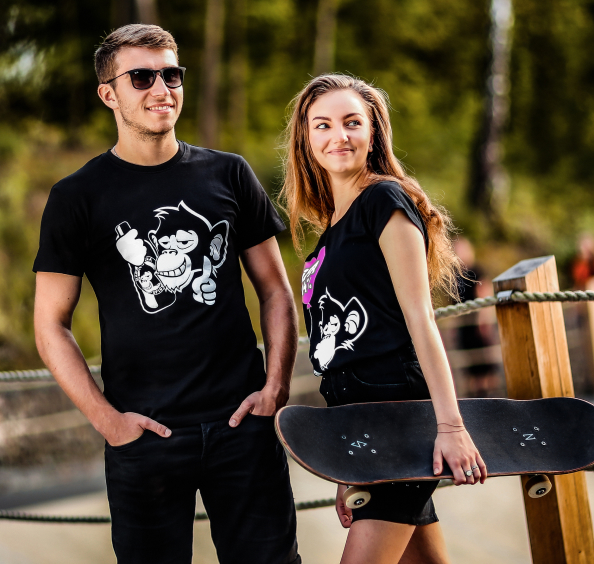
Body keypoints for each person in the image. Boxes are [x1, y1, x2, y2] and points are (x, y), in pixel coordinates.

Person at [33, 24, 300, 564]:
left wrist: (275, 388)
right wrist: (109, 423)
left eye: (171, 74)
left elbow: (275, 290)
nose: (162, 88)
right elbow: (49, 324)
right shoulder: (76, 197)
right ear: (109, 94)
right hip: (143, 438)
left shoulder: (229, 173)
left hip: (243, 427)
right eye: (141, 77)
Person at [280, 74, 487, 564]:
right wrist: (348, 462)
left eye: (352, 122)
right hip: (362, 425)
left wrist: (450, 426)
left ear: (373, 132)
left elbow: (420, 319)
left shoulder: (383, 202)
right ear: (306, 139)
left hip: (398, 417)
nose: (339, 136)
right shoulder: (331, 228)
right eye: (323, 125)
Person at [454, 237, 501, 398]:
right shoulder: (454, 277)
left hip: (479, 326)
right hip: (464, 327)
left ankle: (491, 396)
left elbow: (484, 295)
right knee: (470, 365)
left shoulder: (477, 271)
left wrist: (484, 320)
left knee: (485, 363)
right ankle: (475, 398)